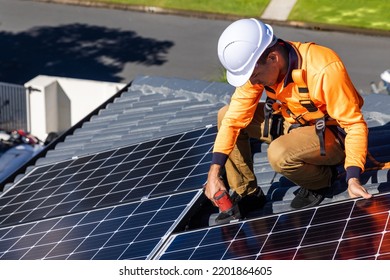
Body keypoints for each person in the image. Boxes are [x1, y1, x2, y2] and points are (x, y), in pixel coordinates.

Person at [204, 18, 372, 224]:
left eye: (254, 75)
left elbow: (354, 125)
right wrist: (214, 174)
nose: (253, 82)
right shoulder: (260, 67)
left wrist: (352, 177)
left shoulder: (323, 68)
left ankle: (321, 180)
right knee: (225, 114)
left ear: (273, 57)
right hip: (292, 122)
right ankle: (248, 192)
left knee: (279, 153)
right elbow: (232, 120)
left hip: (331, 137)